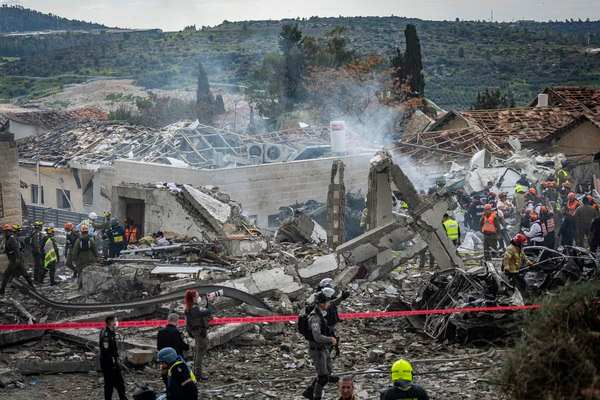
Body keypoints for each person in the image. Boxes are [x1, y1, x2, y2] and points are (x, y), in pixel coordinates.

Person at [303, 291, 337, 400]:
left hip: (323, 349)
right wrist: (330, 339)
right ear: (321, 303)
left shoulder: (320, 314)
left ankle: (309, 391)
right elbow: (317, 336)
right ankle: (316, 396)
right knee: (323, 378)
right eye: (327, 302)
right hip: (317, 351)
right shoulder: (315, 318)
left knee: (327, 373)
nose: (329, 304)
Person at [184, 289, 215, 379]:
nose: (199, 298)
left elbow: (204, 311)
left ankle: (196, 373)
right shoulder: (194, 309)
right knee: (200, 352)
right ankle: (197, 375)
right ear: (193, 298)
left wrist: (208, 302)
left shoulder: (190, 308)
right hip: (200, 332)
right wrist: (210, 302)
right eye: (197, 296)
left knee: (198, 351)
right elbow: (208, 311)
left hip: (197, 332)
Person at [99, 315, 128, 400]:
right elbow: (105, 348)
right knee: (109, 384)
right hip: (108, 362)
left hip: (114, 361)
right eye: (115, 320)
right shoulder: (106, 334)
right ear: (111, 322)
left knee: (120, 382)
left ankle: (123, 398)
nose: (117, 322)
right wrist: (111, 358)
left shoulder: (111, 332)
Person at [1, 224, 34, 295]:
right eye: (5, 231)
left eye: (7, 231)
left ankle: (2, 291)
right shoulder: (9, 238)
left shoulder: (11, 238)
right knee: (24, 273)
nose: (6, 233)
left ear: (9, 231)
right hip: (15, 259)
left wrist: (18, 259)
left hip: (14, 259)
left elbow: (16, 249)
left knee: (6, 274)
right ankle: (32, 287)